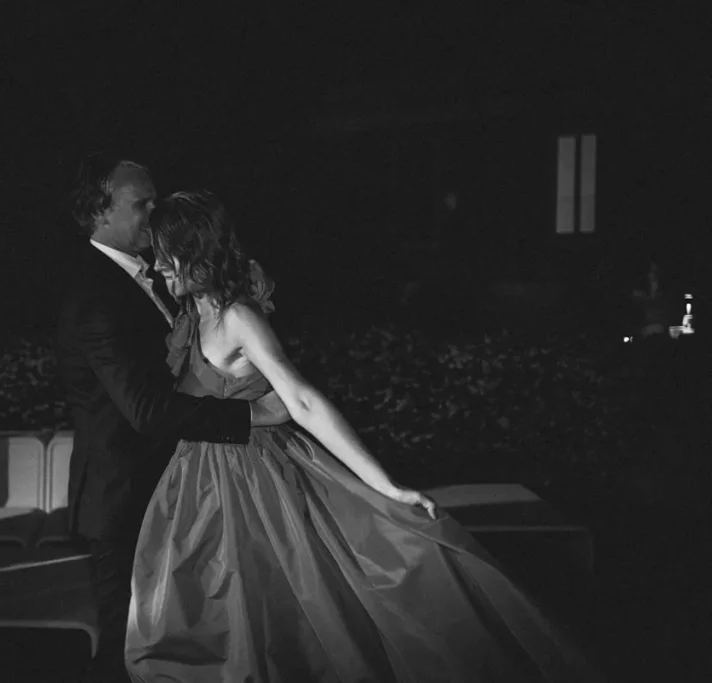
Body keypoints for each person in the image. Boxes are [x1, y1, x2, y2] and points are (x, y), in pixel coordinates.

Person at [125, 190, 603, 682]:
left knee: (260, 624)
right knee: (191, 623)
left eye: (166, 253)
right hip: (193, 487)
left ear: (196, 252)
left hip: (247, 486)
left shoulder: (238, 317)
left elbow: (302, 401)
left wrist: (387, 486)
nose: (157, 264)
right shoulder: (189, 314)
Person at [55, 155, 291, 683]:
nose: (154, 213)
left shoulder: (159, 277)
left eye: (156, 201)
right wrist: (252, 413)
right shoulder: (95, 296)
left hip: (175, 491)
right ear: (100, 212)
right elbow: (145, 409)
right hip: (125, 500)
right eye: (141, 204)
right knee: (127, 650)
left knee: (182, 642)